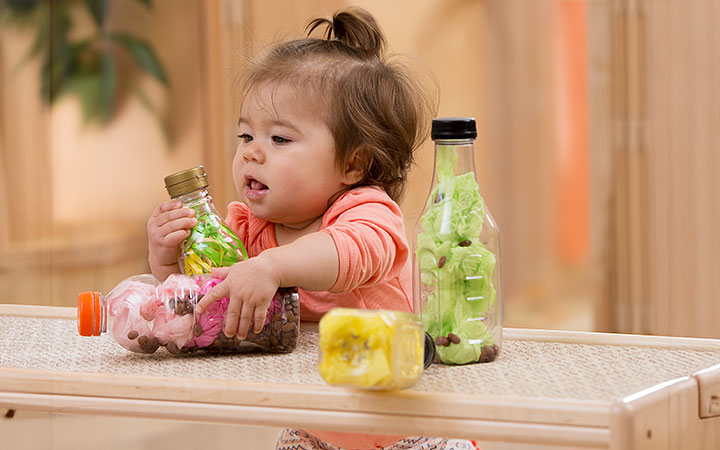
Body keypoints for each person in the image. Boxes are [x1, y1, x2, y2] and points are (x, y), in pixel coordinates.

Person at [146, 6, 478, 450]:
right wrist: (167, 260)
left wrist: (271, 267)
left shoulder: (367, 212)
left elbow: (349, 254)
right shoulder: (246, 230)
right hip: (316, 428)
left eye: (279, 139)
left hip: (409, 426)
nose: (251, 153)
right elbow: (205, 310)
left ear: (352, 163)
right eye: (245, 136)